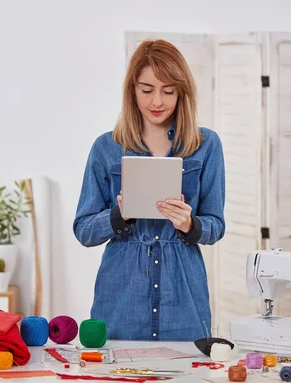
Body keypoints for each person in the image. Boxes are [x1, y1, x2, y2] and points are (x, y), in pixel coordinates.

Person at [73, 39, 226, 341]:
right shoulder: (106, 148)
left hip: (184, 298)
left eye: (168, 91)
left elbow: (216, 226)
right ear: (132, 90)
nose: (157, 101)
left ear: (182, 93)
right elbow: (84, 230)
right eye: (147, 90)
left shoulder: (206, 145)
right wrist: (119, 215)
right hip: (121, 297)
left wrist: (189, 224)